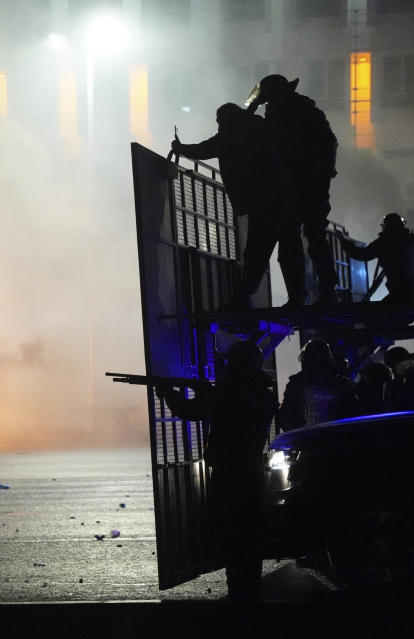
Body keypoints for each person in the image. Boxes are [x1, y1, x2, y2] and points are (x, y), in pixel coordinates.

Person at [155, 341, 277, 600]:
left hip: (230, 473)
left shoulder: (229, 392)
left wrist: (169, 394)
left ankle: (240, 595)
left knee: (232, 535)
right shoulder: (263, 392)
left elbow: (192, 411)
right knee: (249, 536)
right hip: (252, 470)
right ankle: (249, 591)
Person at [171, 103, 297, 309]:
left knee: (255, 254)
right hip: (284, 199)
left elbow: (202, 149)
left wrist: (179, 148)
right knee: (289, 251)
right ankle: (296, 297)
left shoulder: (230, 135)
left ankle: (241, 299)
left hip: (261, 203)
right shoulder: (259, 127)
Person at [247, 74, 340, 304]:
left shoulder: (293, 112)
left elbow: (326, 144)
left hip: (304, 184)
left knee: (301, 237)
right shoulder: (297, 110)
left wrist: (320, 174)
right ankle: (317, 292)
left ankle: (315, 292)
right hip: (300, 185)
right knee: (306, 237)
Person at [340, 213, 414, 302]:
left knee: (379, 317)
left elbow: (363, 254)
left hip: (401, 293)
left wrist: (344, 243)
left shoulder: (384, 242)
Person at [276, 338, 359, 431]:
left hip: (304, 441)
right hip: (334, 441)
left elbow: (285, 417)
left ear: (306, 359)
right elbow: (353, 415)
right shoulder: (341, 384)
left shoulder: (296, 383)